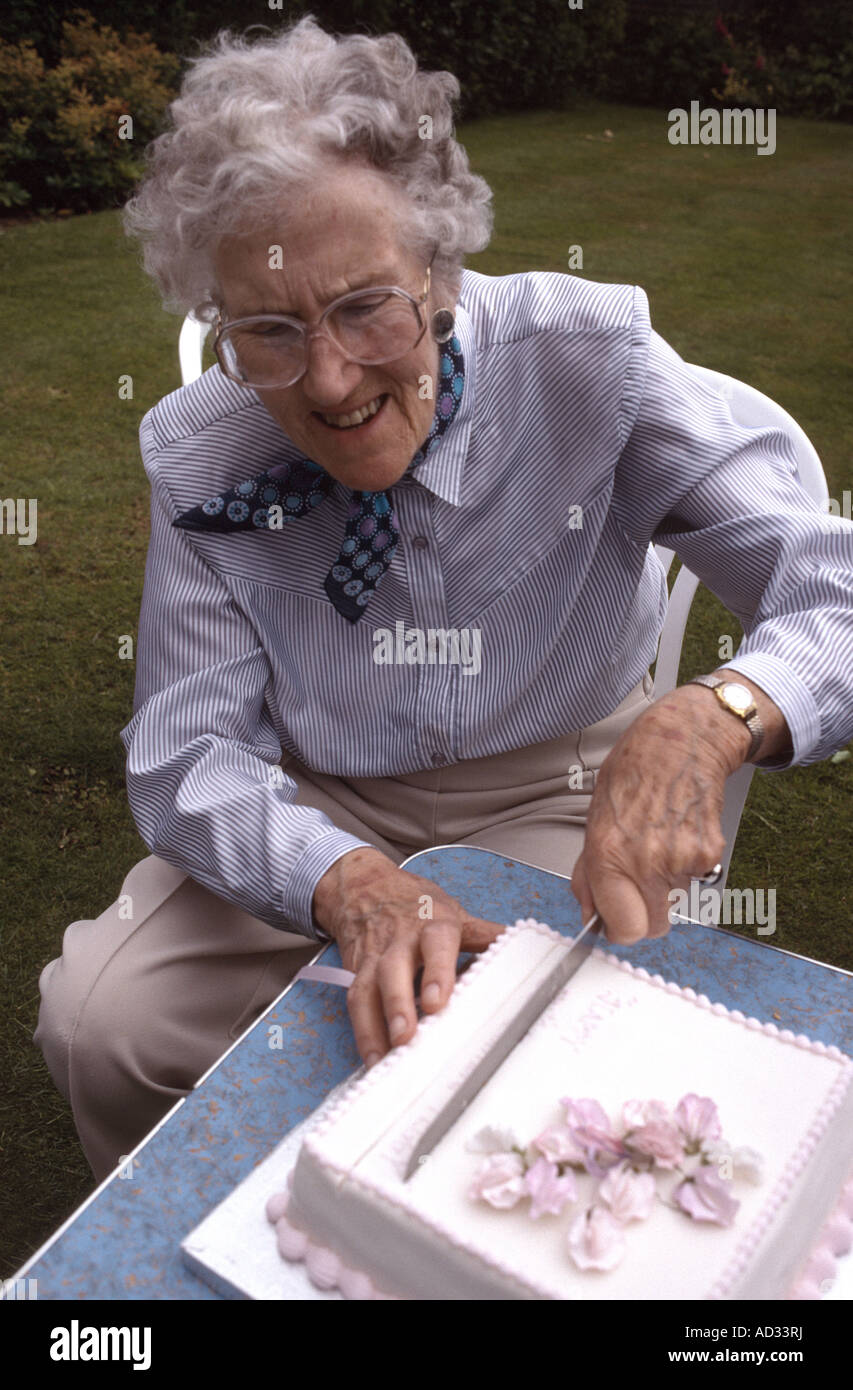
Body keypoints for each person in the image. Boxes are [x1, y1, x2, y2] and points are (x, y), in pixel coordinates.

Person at [34, 16, 853, 1182]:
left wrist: (707, 716)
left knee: (519, 1062)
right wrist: (345, 879)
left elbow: (836, 586)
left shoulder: (592, 360)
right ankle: (232, 1235)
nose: (328, 379)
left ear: (441, 261)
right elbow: (188, 753)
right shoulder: (201, 453)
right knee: (102, 1023)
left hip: (562, 780)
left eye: (368, 305)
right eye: (267, 333)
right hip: (317, 797)